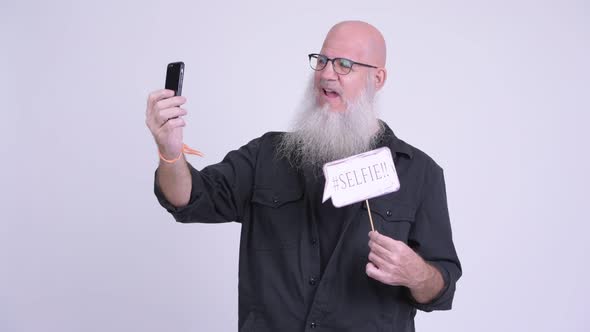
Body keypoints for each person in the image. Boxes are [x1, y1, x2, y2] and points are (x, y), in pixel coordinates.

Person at [145, 21, 461, 331]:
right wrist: (170, 151)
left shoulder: (420, 173)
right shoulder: (266, 155)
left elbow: (441, 286)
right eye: (321, 60)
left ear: (377, 78)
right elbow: (189, 199)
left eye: (344, 64)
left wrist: (416, 273)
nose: (326, 73)